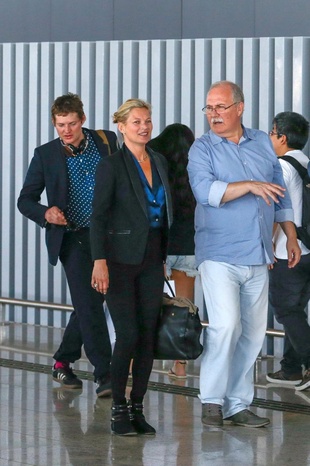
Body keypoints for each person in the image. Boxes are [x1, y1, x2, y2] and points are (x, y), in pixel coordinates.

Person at [187, 80, 301, 428]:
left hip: (258, 253)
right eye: (209, 107)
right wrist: (249, 186)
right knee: (225, 326)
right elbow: (205, 191)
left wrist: (291, 236)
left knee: (252, 333)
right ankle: (210, 400)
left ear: (239, 107)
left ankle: (237, 404)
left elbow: (279, 195)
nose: (213, 114)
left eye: (220, 107)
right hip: (219, 253)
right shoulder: (202, 149)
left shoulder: (263, 145)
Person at [17, 93, 118, 397]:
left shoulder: (106, 141)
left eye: (72, 124)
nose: (66, 130)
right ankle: (105, 375)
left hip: (106, 236)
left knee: (90, 302)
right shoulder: (46, 154)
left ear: (82, 120)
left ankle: (63, 360)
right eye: (60, 125)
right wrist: (46, 214)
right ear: (54, 122)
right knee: (89, 304)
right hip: (71, 237)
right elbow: (25, 199)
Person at [90, 98, 173, 436]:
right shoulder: (112, 165)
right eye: (137, 122)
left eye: (148, 121)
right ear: (122, 127)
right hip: (119, 259)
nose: (144, 127)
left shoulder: (160, 160)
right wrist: (99, 261)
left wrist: (166, 258)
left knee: (148, 337)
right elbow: (98, 216)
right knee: (128, 334)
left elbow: (166, 212)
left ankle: (138, 406)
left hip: (153, 258)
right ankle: (118, 409)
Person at [148, 123, 199, 378]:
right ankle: (180, 365)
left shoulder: (157, 168)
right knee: (185, 306)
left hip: (162, 246)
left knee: (147, 306)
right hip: (190, 245)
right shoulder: (196, 171)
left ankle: (136, 363)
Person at [266, 111, 310, 391]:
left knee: (285, 310)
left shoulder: (281, 167)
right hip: (308, 248)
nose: (270, 138)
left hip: (288, 251)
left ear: (282, 137)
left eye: (272, 133)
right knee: (296, 310)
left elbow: (274, 209)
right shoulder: (306, 163)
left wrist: (267, 244)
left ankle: (305, 362)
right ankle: (292, 368)